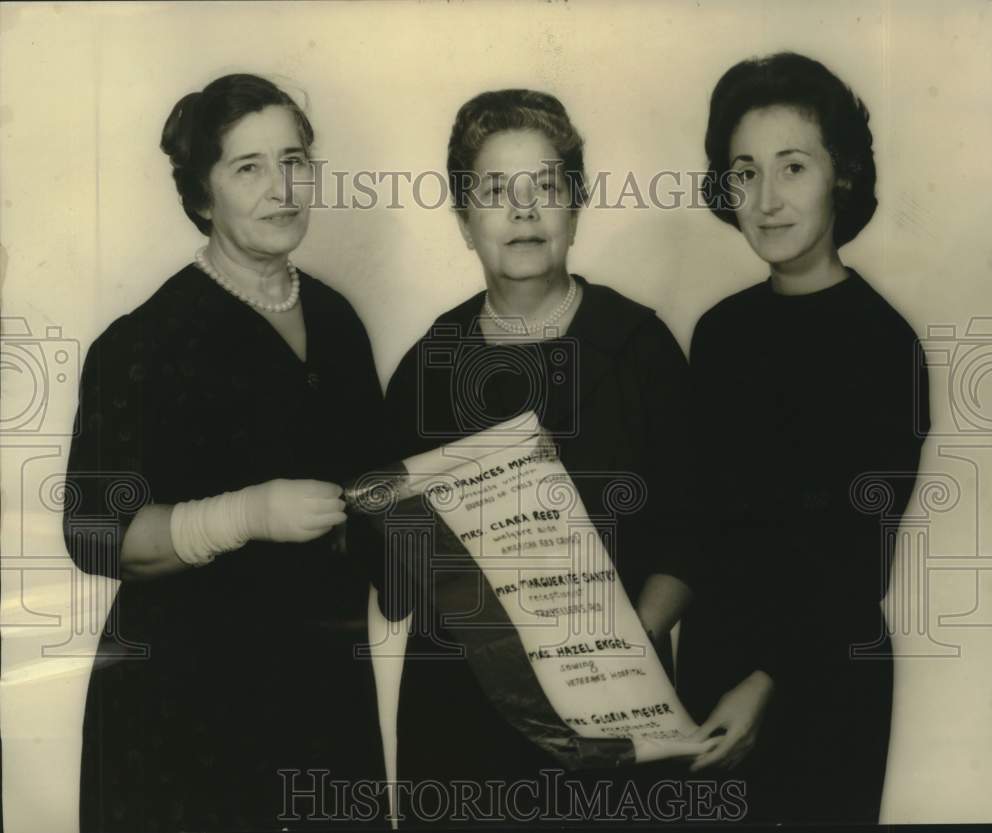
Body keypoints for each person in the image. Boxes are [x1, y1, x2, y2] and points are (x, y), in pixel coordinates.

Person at [64, 74, 386, 832]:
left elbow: (375, 489)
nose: (283, 187)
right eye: (249, 168)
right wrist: (245, 513)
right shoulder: (143, 342)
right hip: (183, 710)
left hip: (320, 701)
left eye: (296, 160)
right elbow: (95, 533)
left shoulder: (338, 322)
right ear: (201, 195)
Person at [376, 89, 700, 826]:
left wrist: (619, 652)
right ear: (464, 220)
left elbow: (693, 528)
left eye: (546, 187)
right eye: (494, 191)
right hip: (463, 721)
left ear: (576, 207)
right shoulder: (427, 369)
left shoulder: (640, 347)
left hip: (613, 714)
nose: (523, 211)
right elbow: (395, 575)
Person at [679, 52, 930, 824]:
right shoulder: (719, 333)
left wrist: (763, 682)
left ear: (843, 175)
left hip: (824, 682)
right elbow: (701, 519)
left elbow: (854, 561)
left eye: (793, 166)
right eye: (744, 171)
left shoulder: (886, 346)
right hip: (714, 670)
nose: (766, 198)